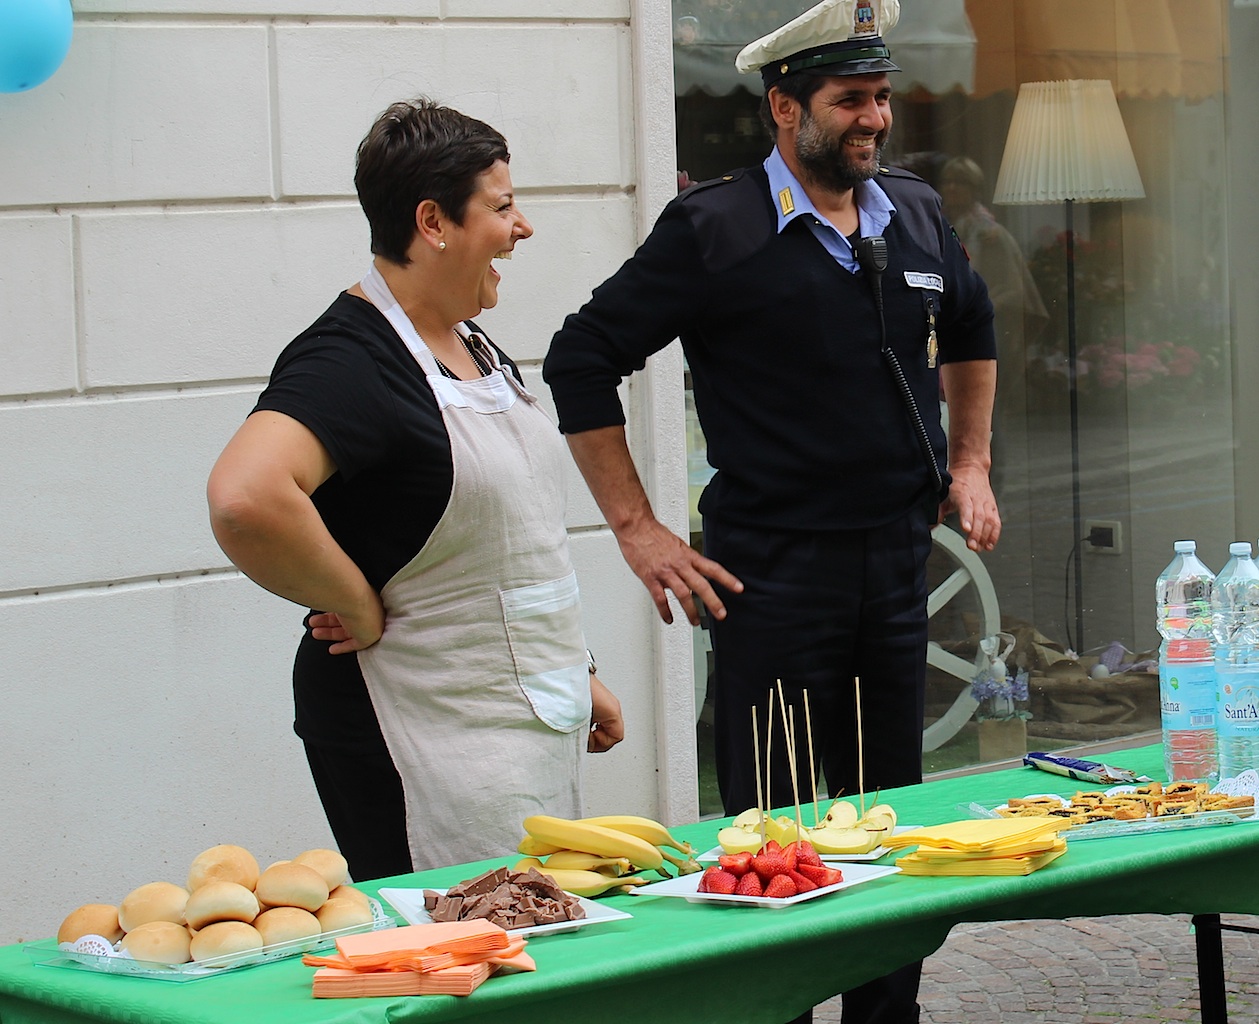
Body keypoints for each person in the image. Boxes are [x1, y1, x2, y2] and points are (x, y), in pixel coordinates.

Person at [543, 0, 997, 1020]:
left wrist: (969, 463)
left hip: (895, 568)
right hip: (774, 578)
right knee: (775, 833)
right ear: (784, 109)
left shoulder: (914, 212)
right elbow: (580, 360)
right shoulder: (715, 228)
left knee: (887, 822)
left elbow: (972, 326)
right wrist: (637, 529)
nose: (873, 119)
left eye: (879, 97)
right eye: (849, 101)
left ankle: (885, 1015)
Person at [207, 97, 623, 882]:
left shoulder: (469, 341)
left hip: (514, 715)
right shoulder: (350, 359)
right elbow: (245, 496)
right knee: (461, 941)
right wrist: (354, 602)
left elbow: (510, 544)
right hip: (417, 726)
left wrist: (576, 668)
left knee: (529, 933)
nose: (522, 227)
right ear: (433, 222)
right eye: (501, 207)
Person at [938, 156, 1048, 496]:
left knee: (982, 416)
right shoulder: (940, 224)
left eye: (961, 183)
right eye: (948, 181)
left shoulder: (990, 234)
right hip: (945, 333)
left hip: (980, 335)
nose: (952, 188)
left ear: (974, 189)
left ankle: (987, 486)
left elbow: (1015, 290)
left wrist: (981, 308)